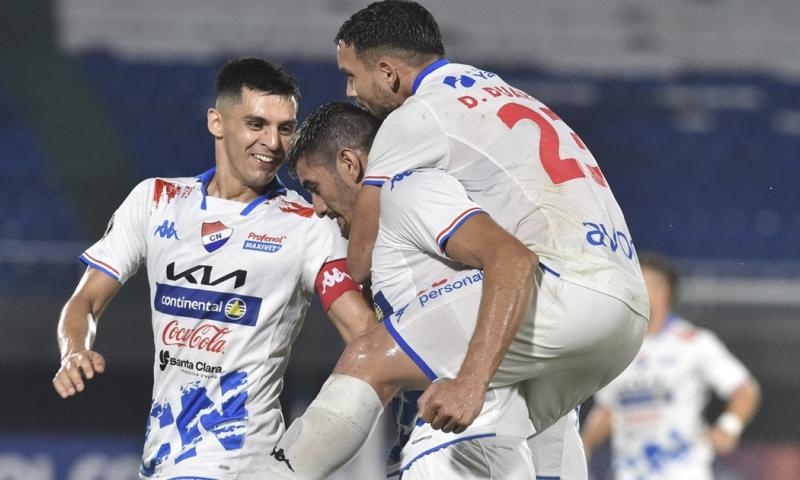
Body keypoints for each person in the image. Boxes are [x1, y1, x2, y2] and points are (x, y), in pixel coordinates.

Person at [271, 1, 647, 478]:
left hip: (565, 291)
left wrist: (469, 378)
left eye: (352, 75)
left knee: (371, 359)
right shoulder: (508, 94)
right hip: (625, 313)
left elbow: (362, 259)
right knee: (523, 424)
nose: (351, 91)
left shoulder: (413, 120)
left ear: (387, 73)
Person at [51, 58, 376, 479]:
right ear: (216, 122)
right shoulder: (156, 200)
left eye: (285, 128)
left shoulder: (307, 223)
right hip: (162, 457)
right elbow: (84, 301)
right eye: (256, 124)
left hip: (240, 460)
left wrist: (317, 436)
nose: (273, 143)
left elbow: (363, 335)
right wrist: (74, 349)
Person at [580, 252, 760, 480]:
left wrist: (728, 427)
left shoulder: (693, 342)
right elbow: (608, 409)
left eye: (643, 285)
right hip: (629, 473)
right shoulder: (618, 348)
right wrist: (585, 443)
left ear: (663, 291)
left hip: (683, 471)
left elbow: (744, 389)